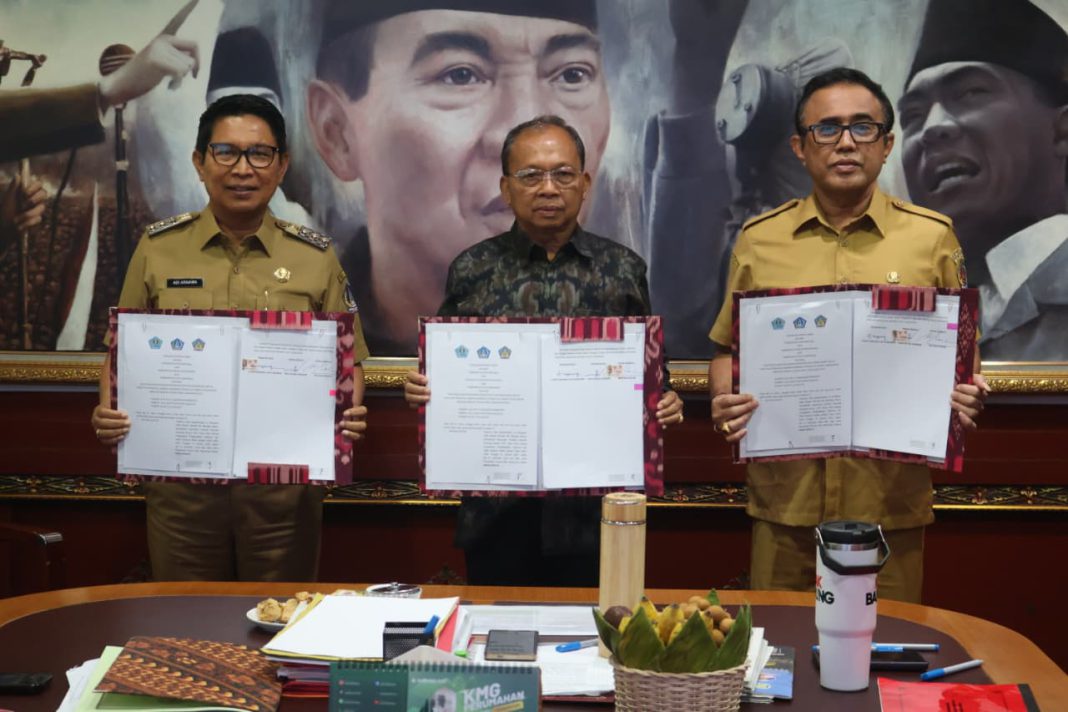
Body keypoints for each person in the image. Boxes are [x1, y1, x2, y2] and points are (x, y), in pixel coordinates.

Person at [708, 68, 989, 603]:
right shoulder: (759, 240)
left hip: (889, 502)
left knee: (888, 642)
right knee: (781, 644)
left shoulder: (931, 238)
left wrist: (967, 391)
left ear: (886, 145)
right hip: (785, 501)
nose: (845, 143)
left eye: (863, 128)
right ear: (799, 147)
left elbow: (962, 351)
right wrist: (725, 401)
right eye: (827, 128)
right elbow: (727, 348)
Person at [89, 94, 370, 581]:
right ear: (199, 162)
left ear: (281, 166)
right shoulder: (157, 250)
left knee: (278, 619)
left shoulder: (315, 257)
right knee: (189, 620)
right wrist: (108, 411)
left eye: (259, 154)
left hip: (284, 496)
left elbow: (350, 362)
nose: (243, 169)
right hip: (183, 495)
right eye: (225, 152)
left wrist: (347, 413)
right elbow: (122, 356)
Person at [405, 115, 683, 586]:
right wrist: (425, 390)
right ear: (506, 188)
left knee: (593, 627)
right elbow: (448, 374)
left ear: (585, 184)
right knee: (498, 628)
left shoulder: (622, 270)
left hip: (593, 509)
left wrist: (665, 400)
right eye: (531, 175)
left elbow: (653, 376)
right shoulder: (472, 270)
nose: (548, 188)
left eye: (563, 174)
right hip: (497, 511)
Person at [307, 1, 611, 355]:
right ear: (337, 133)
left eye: (572, 75)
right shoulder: (307, 334)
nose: (534, 147)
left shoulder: (623, 310)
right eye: (460, 76)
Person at [898, 0, 1068, 361]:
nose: (931, 128)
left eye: (970, 93)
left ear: (1062, 132)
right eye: (912, 115)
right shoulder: (913, 325)